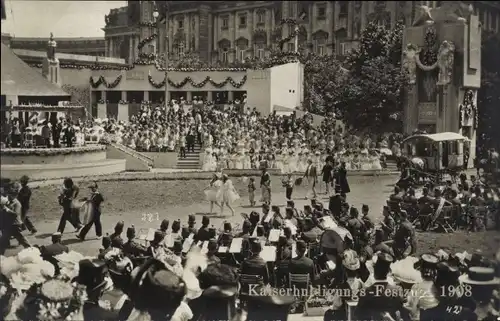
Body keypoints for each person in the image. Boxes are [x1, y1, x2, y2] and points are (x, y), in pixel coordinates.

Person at [356, 252, 406, 320]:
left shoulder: (366, 292)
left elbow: (357, 314)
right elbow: (400, 311)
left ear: (375, 272)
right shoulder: (396, 291)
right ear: (387, 272)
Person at [0, 185, 31, 254]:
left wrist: (7, 210)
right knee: (3, 241)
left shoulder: (17, 203)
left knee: (21, 239)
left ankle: (32, 250)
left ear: (14, 196)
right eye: (8, 195)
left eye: (10, 195)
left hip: (15, 224)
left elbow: (16, 214)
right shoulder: (8, 202)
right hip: (9, 225)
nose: (9, 196)